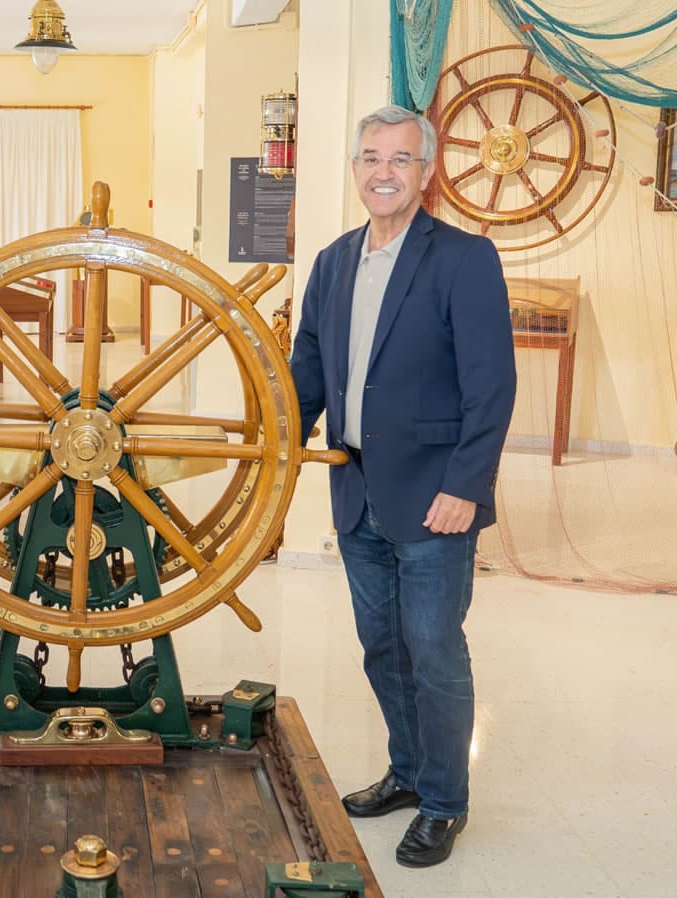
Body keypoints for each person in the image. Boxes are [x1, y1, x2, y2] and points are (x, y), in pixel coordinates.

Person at [288, 105, 516, 868]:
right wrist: (272, 439)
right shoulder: (332, 261)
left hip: (433, 497)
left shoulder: (463, 258)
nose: (382, 172)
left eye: (399, 159)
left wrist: (466, 486)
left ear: (425, 172)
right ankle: (408, 772)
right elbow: (308, 368)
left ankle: (444, 803)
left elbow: (490, 385)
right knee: (382, 648)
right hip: (355, 488)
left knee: (433, 652)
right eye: (370, 158)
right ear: (354, 169)